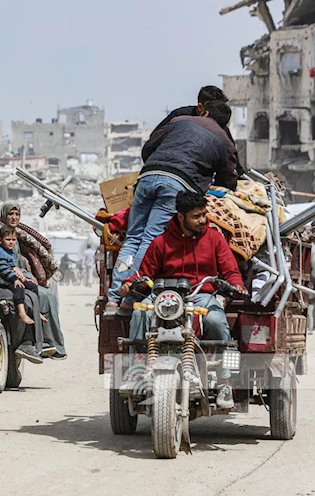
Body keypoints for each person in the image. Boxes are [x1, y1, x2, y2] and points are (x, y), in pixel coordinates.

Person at [122, 191, 247, 409]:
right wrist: (130, 283)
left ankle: (225, 381)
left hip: (201, 295)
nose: (202, 220)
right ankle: (136, 373)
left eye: (203, 215)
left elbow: (230, 270)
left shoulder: (215, 238)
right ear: (180, 217)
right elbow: (145, 273)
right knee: (139, 314)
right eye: (196, 216)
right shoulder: (160, 242)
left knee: (217, 322)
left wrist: (236, 284)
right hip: (164, 296)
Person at [107, 100, 238, 308]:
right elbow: (229, 180)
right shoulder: (224, 140)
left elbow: (149, 146)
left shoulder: (180, 120)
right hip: (177, 184)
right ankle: (131, 297)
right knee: (150, 239)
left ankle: (113, 298)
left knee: (133, 238)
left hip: (147, 176)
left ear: (204, 112)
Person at [0, 208, 51, 363]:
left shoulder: (0, 243)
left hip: (3, 281)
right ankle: (21, 342)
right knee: (18, 298)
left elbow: (11, 264)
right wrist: (11, 277)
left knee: (31, 292)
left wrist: (19, 273)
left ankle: (34, 341)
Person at [0, 202, 67, 359]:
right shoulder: (3, 234)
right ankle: (44, 342)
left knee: (49, 296)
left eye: (17, 214)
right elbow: (6, 262)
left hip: (20, 277)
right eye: (11, 214)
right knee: (45, 297)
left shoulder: (14, 234)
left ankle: (51, 343)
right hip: (10, 279)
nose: (14, 217)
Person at [145, 85, 245, 177]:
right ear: (201, 108)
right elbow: (152, 144)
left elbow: (231, 159)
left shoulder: (220, 127)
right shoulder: (180, 117)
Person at [0, 225, 38, 326]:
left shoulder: (10, 252)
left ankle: (36, 311)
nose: (11, 242)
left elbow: (12, 266)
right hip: (5, 280)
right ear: (0, 240)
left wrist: (24, 278)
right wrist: (15, 279)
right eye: (8, 239)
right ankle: (21, 312)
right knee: (19, 288)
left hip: (13, 277)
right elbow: (3, 270)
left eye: (13, 240)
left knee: (33, 286)